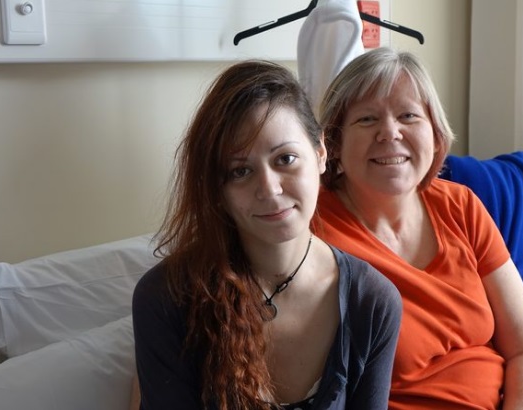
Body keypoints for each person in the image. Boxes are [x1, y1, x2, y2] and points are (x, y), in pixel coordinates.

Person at [131, 60, 402, 410]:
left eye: (285, 159)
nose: (269, 189)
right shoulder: (167, 298)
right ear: (218, 188)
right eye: (240, 171)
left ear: (320, 153)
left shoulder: (374, 303)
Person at [314, 47, 523, 409]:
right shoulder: (311, 226)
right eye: (366, 119)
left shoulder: (461, 205)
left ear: (435, 134)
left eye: (408, 115)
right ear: (333, 144)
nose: (389, 133)